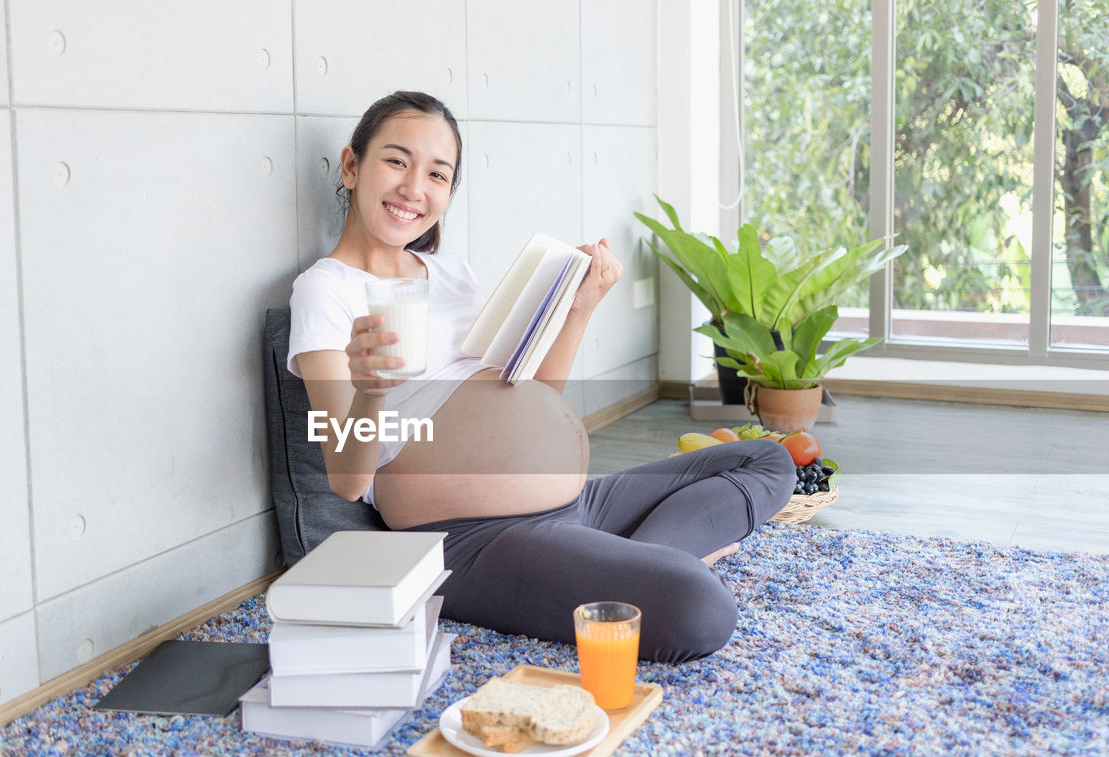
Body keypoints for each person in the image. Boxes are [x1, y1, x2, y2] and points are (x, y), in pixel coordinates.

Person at [287, 91, 795, 664]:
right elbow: (347, 480)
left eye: (437, 173)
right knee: (703, 610)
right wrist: (373, 392)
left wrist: (580, 307)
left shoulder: (450, 271)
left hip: (574, 506)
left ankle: (631, 562)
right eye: (397, 161)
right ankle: (652, 568)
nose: (414, 188)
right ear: (352, 166)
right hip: (473, 537)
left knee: (769, 461)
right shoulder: (325, 290)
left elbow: (529, 397)